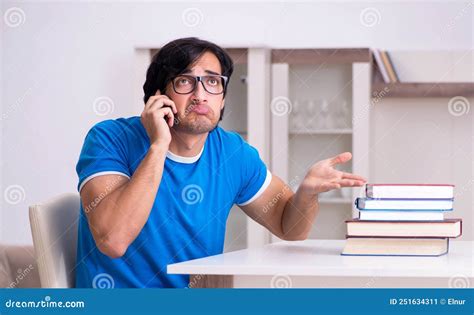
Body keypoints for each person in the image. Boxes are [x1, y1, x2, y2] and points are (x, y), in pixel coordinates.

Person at [74, 37, 366, 288]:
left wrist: (306, 195)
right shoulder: (109, 138)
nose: (201, 95)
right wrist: (158, 145)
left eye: (213, 82)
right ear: (158, 96)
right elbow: (113, 240)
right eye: (185, 81)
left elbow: (289, 227)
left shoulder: (232, 153)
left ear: (223, 99)